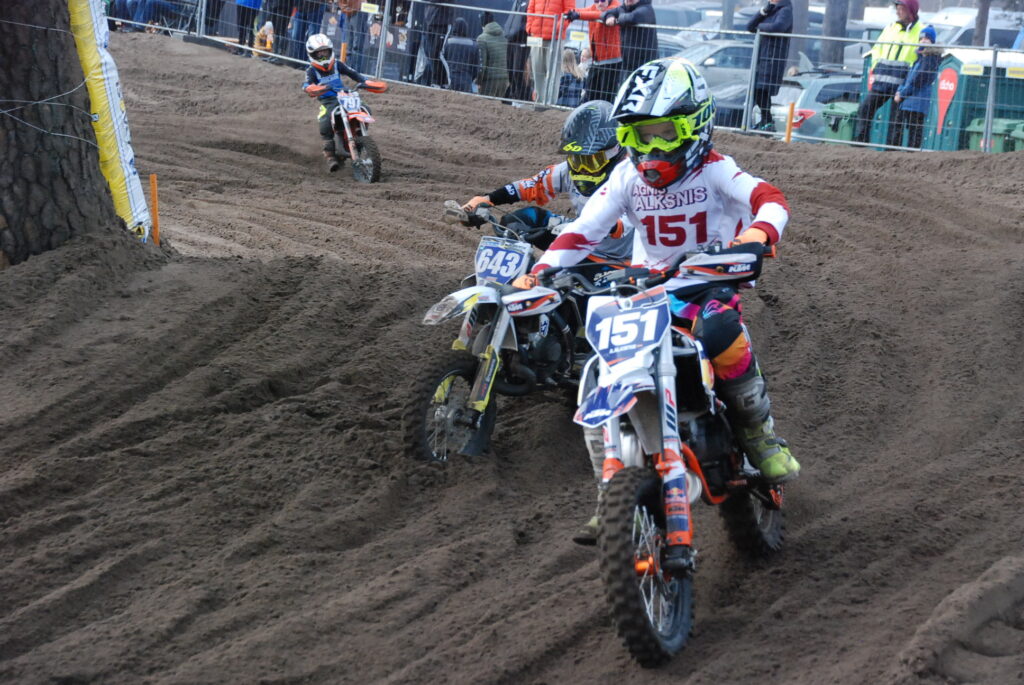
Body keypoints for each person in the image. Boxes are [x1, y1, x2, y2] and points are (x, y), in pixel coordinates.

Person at [516, 58, 800, 547]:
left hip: (705, 285)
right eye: (639, 136)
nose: (650, 149)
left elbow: (771, 199)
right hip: (643, 291)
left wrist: (755, 237)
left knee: (720, 331)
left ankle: (759, 434)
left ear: (694, 126)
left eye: (663, 134)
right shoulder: (626, 177)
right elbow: (585, 229)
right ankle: (610, 492)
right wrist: (541, 270)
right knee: (596, 370)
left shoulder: (716, 171)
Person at [460, 99, 634, 265]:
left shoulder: (630, 178)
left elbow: (621, 226)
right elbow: (531, 185)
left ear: (615, 152)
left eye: (592, 161)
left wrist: (575, 227)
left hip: (620, 262)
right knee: (518, 220)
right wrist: (487, 199)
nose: (583, 169)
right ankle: (512, 274)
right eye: (577, 159)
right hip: (581, 245)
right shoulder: (567, 171)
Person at [854, 0, 922, 145]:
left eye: (901, 8)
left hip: (902, 85)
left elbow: (920, 58)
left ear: (911, 10)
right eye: (897, 8)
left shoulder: (920, 31)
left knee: (896, 121)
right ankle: (860, 145)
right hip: (882, 81)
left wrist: (909, 80)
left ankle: (892, 152)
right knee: (865, 109)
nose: (898, 11)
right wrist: (876, 66)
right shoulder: (890, 28)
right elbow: (877, 49)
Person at [301, 32, 367, 173]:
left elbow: (353, 73)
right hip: (328, 100)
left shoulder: (337, 64)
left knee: (364, 107)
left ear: (330, 51)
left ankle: (360, 134)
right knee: (325, 119)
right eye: (319, 54)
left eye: (325, 52)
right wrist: (312, 88)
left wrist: (364, 81)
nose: (323, 56)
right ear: (312, 55)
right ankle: (330, 155)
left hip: (344, 95)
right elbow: (306, 84)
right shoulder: (311, 70)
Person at [746, 0, 793, 132]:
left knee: (763, 89)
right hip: (762, 56)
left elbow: (778, 27)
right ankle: (765, 121)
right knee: (757, 90)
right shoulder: (770, 10)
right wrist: (762, 12)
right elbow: (749, 26)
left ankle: (767, 122)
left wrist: (760, 27)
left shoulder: (785, 11)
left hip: (773, 57)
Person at [564, 0, 622, 103]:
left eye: (603, 0)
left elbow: (600, 14)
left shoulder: (615, 7)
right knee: (590, 94)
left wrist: (579, 15)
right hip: (596, 61)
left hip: (611, 62)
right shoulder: (593, 8)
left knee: (606, 97)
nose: (599, 3)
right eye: (596, 1)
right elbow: (583, 11)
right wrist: (569, 12)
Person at [893, 25, 939, 149]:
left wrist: (902, 94)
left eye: (927, 39)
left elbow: (918, 80)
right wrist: (900, 91)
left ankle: (911, 154)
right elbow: (909, 78)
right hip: (908, 100)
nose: (923, 41)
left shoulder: (930, 60)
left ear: (932, 41)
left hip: (917, 102)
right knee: (901, 129)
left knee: (914, 132)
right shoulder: (920, 58)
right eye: (921, 38)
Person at [526, 0, 576, 106]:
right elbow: (530, 9)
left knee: (553, 73)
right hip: (536, 36)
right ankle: (539, 103)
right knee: (536, 71)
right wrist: (529, 27)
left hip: (555, 38)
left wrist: (558, 27)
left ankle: (550, 104)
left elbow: (569, 12)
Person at [598, 0, 657, 76]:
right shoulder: (624, 8)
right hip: (628, 61)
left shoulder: (646, 9)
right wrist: (610, 17)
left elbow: (630, 18)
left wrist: (617, 18)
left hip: (645, 63)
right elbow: (604, 14)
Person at [505, 0, 534, 102]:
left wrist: (519, 32)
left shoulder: (529, 2)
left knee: (517, 71)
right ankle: (514, 96)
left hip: (522, 40)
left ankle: (521, 98)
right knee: (510, 70)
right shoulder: (517, 2)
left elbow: (528, 21)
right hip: (511, 39)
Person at [476, 12, 510, 98]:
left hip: (489, 81)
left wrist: (479, 81)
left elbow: (482, 64)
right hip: (504, 79)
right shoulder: (505, 36)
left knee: (485, 104)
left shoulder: (481, 38)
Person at [421, 0, 453, 87]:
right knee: (428, 52)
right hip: (429, 21)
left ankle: (440, 81)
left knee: (437, 53)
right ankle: (437, 81)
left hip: (442, 23)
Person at [443, 18, 480, 92]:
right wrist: (470, 78)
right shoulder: (473, 45)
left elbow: (444, 61)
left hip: (450, 79)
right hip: (466, 80)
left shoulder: (448, 42)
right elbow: (476, 68)